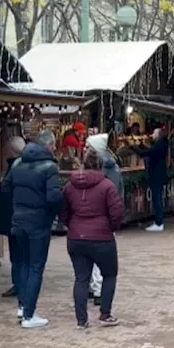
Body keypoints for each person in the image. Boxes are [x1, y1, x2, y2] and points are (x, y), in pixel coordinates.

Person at [4, 130, 63, 328]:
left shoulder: (18, 163)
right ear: (49, 146)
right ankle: (29, 314)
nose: (55, 149)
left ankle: (22, 306)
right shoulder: (50, 167)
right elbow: (54, 197)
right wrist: (52, 214)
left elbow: (6, 188)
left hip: (18, 220)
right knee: (36, 267)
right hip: (38, 223)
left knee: (22, 264)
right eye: (54, 145)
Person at [61, 147, 124, 328]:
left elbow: (63, 211)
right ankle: (105, 314)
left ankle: (82, 320)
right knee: (109, 274)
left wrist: (70, 225)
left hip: (76, 237)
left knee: (81, 278)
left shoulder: (69, 186)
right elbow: (116, 212)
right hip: (102, 238)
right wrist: (111, 227)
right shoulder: (107, 186)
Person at [84, 133, 123, 301]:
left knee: (98, 260)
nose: (84, 149)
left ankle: (98, 289)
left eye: (87, 146)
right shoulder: (112, 168)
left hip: (100, 219)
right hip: (101, 220)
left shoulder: (106, 170)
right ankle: (94, 287)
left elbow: (113, 197)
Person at [0, 136, 26, 299]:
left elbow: (10, 190)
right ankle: (19, 283)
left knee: (19, 253)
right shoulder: (18, 165)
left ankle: (21, 284)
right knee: (18, 253)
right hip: (18, 216)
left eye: (6, 148)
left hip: (16, 217)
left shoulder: (17, 166)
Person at [136, 127, 170, 231]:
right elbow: (149, 150)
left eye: (154, 133)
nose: (152, 134)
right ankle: (159, 222)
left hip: (156, 176)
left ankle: (159, 223)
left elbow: (145, 153)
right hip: (158, 175)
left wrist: (133, 146)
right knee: (157, 198)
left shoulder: (159, 145)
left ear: (159, 135)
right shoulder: (161, 145)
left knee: (156, 199)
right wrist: (140, 145)